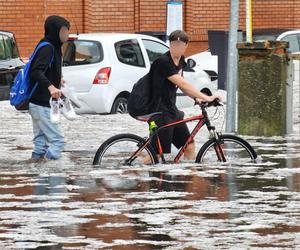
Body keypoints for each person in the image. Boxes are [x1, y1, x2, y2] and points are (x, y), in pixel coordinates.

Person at [149, 30, 221, 160]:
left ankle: (188, 178)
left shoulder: (181, 61)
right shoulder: (163, 62)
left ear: (186, 46)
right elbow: (182, 84)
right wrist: (207, 97)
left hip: (172, 110)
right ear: (170, 45)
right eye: (174, 44)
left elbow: (182, 85)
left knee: (188, 146)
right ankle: (135, 173)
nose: (177, 47)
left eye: (180, 45)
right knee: (157, 155)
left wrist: (196, 97)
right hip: (159, 112)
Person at [28, 15, 70, 161]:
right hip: (41, 104)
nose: (67, 34)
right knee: (58, 141)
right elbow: (35, 71)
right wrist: (51, 86)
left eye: (67, 31)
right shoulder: (48, 47)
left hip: (40, 103)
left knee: (41, 145)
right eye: (64, 31)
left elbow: (45, 69)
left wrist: (58, 79)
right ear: (54, 31)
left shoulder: (52, 45)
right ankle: (54, 179)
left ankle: (37, 175)